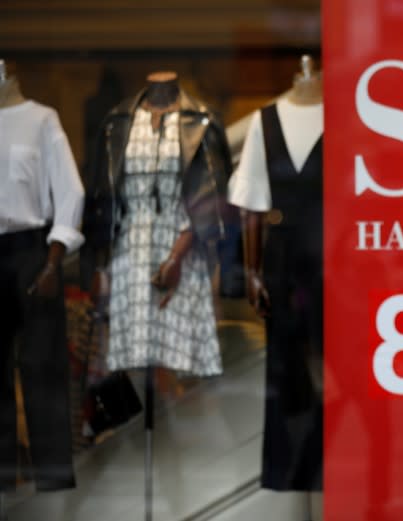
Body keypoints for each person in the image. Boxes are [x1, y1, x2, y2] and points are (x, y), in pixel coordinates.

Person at [83, 71, 231, 377]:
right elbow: (101, 196)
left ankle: (174, 424)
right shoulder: (117, 122)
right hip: (129, 249)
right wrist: (99, 265)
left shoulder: (202, 120)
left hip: (182, 245)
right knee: (132, 365)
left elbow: (210, 200)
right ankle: (142, 426)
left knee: (176, 364)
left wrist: (177, 256)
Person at [227, 54, 323, 512]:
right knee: (285, 368)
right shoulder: (266, 121)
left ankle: (335, 472)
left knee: (332, 368)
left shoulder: (345, 116)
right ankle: (291, 476)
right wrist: (252, 270)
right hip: (283, 257)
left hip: (333, 257)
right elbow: (250, 204)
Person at [1, 58, 83, 491]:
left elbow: (71, 188)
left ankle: (52, 482)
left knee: (43, 366)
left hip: (32, 249)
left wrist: (53, 260)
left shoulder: (41, 119)